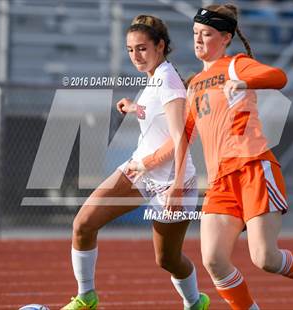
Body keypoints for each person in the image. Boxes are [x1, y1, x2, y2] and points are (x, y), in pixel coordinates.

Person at [130, 4, 293, 310]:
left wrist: (245, 82)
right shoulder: (192, 87)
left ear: (226, 38)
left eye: (206, 34)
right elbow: (180, 139)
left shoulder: (235, 65)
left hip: (254, 167)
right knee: (214, 260)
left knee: (265, 258)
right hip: (221, 181)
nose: (199, 40)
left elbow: (278, 77)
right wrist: (147, 164)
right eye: (195, 34)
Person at [61, 15, 210, 310]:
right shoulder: (156, 77)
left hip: (172, 181)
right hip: (139, 170)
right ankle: (86, 296)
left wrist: (178, 187)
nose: (135, 56)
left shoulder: (168, 81)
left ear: (160, 45)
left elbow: (180, 138)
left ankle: (195, 302)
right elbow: (157, 118)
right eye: (130, 50)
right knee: (84, 224)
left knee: (167, 259)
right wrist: (134, 107)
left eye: (142, 48)